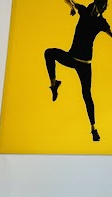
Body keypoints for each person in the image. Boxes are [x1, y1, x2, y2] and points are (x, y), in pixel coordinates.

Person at [44, 0, 112, 141]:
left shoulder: (101, 22)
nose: (98, 10)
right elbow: (70, 1)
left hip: (84, 65)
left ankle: (93, 129)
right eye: (98, 6)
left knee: (87, 95)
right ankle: (54, 84)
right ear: (94, 4)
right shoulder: (84, 11)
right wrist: (72, 7)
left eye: (102, 8)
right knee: (49, 53)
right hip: (71, 58)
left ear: (103, 9)